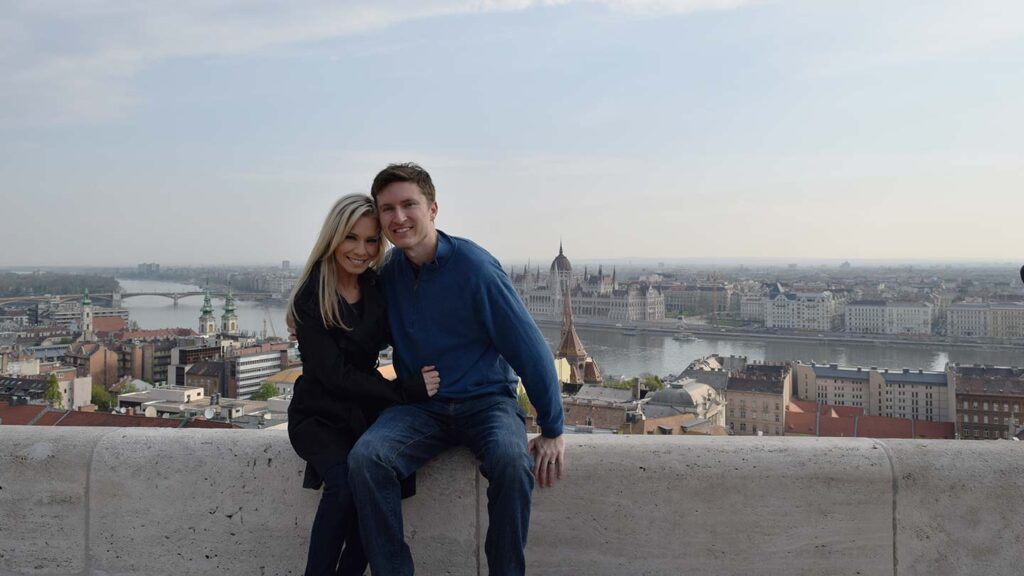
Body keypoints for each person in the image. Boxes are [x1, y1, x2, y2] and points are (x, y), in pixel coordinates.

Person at [348, 163, 565, 576]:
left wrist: (553, 428)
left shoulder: (475, 268)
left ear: (432, 209)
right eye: (388, 209)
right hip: (421, 406)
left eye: (408, 204)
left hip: (486, 403)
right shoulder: (389, 274)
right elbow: (360, 333)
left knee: (510, 462)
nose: (398, 218)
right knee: (367, 459)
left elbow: (529, 347)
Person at [286, 193, 440, 576]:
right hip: (320, 414)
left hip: (364, 409)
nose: (361, 250)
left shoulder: (374, 286)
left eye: (371, 241)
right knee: (343, 485)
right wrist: (405, 389)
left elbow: (407, 328)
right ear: (333, 237)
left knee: (373, 491)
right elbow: (333, 375)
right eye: (351, 238)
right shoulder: (312, 295)